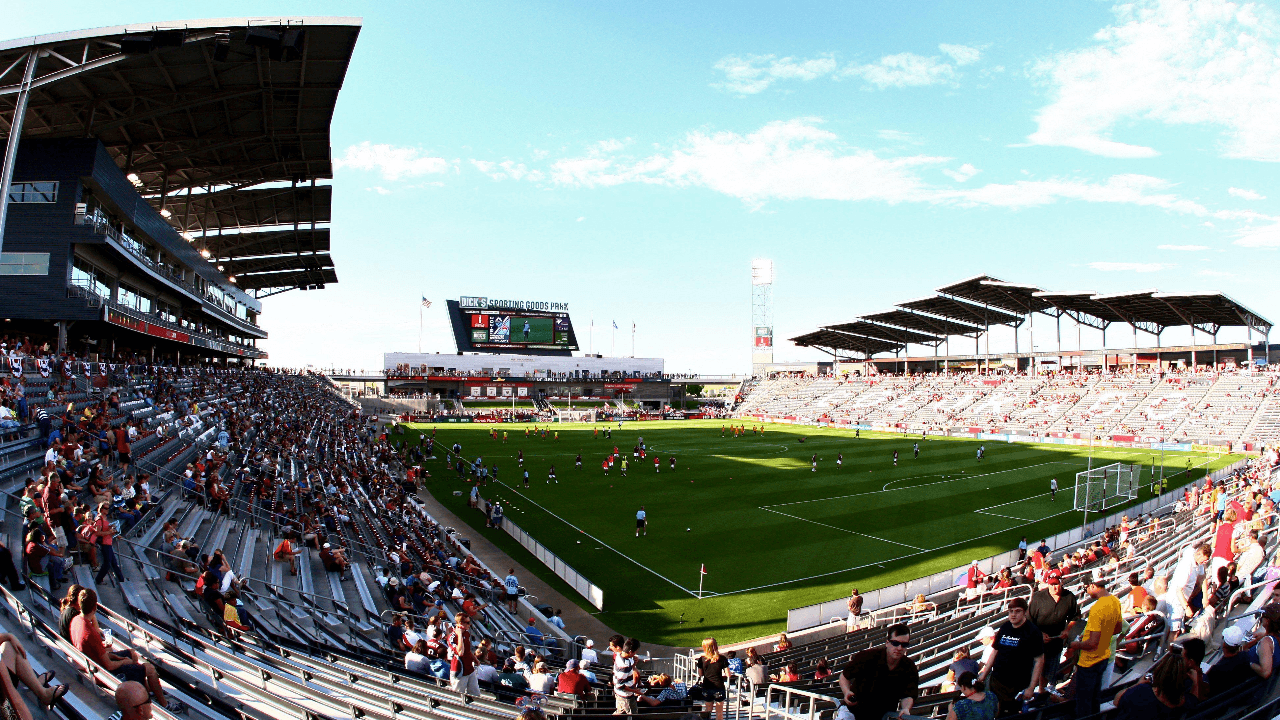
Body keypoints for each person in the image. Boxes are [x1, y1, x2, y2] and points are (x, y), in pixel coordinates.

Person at [70, 590, 174, 710]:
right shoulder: (90, 632)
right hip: (102, 673)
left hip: (94, 664)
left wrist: (119, 657)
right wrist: (124, 662)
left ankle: (144, 689)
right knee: (150, 669)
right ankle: (165, 705)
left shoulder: (75, 621)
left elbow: (98, 653)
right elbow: (108, 666)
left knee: (132, 654)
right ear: (94, 607)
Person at [836, 623, 920, 720]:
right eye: (895, 643)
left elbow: (908, 695)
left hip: (881, 716)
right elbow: (844, 676)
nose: (899, 648)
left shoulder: (909, 667)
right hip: (852, 712)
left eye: (904, 644)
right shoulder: (867, 657)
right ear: (887, 643)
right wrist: (847, 692)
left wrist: (906, 708)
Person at [1067, 577, 1123, 717]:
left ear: (1092, 585)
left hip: (1089, 662)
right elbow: (1118, 628)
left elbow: (1091, 644)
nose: (1086, 592)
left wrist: (1075, 644)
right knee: (1094, 700)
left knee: (1084, 704)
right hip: (1104, 657)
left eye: (1086, 588)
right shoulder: (1115, 600)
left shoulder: (1097, 607)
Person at [977, 598, 1043, 716]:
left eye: (1017, 611)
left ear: (1025, 613)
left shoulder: (1033, 632)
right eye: (1011, 611)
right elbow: (995, 652)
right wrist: (985, 673)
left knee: (1012, 715)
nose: (1013, 614)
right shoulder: (1005, 627)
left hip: (1017, 685)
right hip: (997, 682)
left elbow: (1039, 661)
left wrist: (1031, 687)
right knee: (995, 713)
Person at [1027, 569, 1079, 696]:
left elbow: (1074, 617)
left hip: (1056, 643)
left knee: (1048, 671)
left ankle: (1041, 692)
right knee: (1035, 670)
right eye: (1051, 584)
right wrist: (1039, 634)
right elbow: (1028, 621)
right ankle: (1030, 693)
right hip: (1037, 643)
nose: (1054, 587)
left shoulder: (1069, 597)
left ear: (1061, 582)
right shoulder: (1038, 597)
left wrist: (1067, 630)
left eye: (1056, 584)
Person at [1112, 651, 1195, 719]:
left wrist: (1137, 684)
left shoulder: (1141, 691)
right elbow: (1196, 698)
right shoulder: (1182, 703)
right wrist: (1196, 681)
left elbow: (1116, 700)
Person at [1207, 625, 1254, 697]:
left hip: (1222, 701)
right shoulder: (1245, 656)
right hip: (1238, 695)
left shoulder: (1216, 670)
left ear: (1223, 644)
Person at [447, 611, 479, 696]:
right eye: (467, 623)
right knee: (458, 695)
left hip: (469, 668)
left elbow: (467, 650)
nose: (469, 625)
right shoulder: (453, 637)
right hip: (460, 670)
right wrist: (460, 634)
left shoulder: (467, 633)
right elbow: (460, 652)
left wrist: (474, 658)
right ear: (461, 623)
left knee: (475, 694)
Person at [696, 638, 729, 720]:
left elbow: (700, 674)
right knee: (719, 713)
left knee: (707, 712)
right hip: (719, 686)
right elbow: (728, 674)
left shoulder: (702, 659)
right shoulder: (722, 658)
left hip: (707, 686)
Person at [1248, 603, 1280, 681]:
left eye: (1263, 617)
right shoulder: (1275, 636)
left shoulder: (1266, 642)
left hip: (1254, 684)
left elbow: (1265, 673)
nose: (1261, 618)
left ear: (1267, 621)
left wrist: (1249, 662)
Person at [610, 635, 640, 715]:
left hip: (620, 694)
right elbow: (620, 685)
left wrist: (633, 663)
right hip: (626, 696)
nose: (635, 654)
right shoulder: (624, 665)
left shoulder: (619, 655)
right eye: (635, 652)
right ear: (630, 652)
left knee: (620, 712)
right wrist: (635, 691)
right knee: (632, 715)